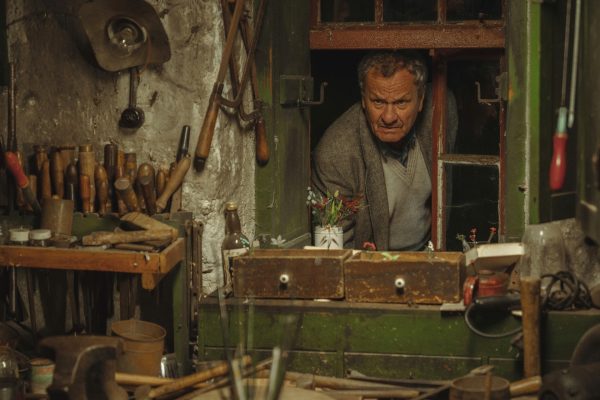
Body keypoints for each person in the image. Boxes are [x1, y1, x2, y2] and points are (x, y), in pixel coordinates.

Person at [312, 50, 458, 251]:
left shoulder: (441, 109)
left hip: (430, 252)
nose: (389, 117)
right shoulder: (336, 153)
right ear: (364, 99)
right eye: (378, 102)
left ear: (421, 100)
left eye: (401, 102)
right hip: (371, 262)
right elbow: (336, 249)